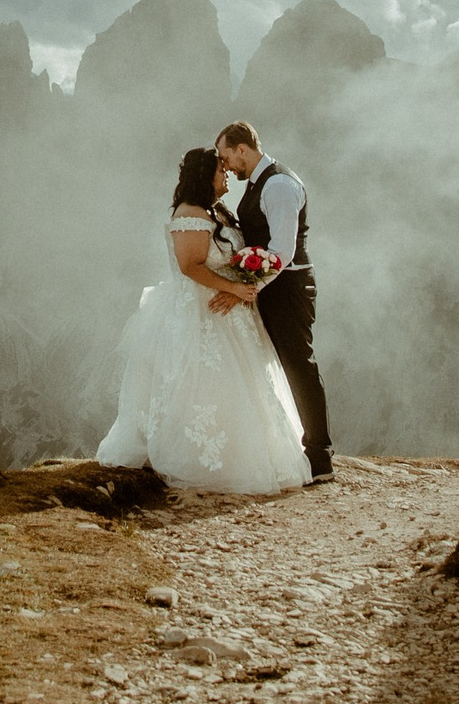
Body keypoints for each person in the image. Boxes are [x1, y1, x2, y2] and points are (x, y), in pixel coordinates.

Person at [95, 147, 313, 493]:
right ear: (204, 175)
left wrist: (242, 283)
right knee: (200, 382)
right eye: (220, 170)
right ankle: (197, 457)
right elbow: (190, 266)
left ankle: (239, 451)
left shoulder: (216, 211)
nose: (226, 174)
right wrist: (233, 288)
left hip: (227, 309)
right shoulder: (190, 214)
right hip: (200, 312)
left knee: (237, 385)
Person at [212, 120, 333, 482]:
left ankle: (319, 457)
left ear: (242, 149)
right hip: (275, 286)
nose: (226, 165)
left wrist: (247, 288)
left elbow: (281, 250)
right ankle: (297, 448)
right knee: (282, 366)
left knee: (299, 364)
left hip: (290, 286)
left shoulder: (278, 184)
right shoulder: (259, 182)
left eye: (226, 156)